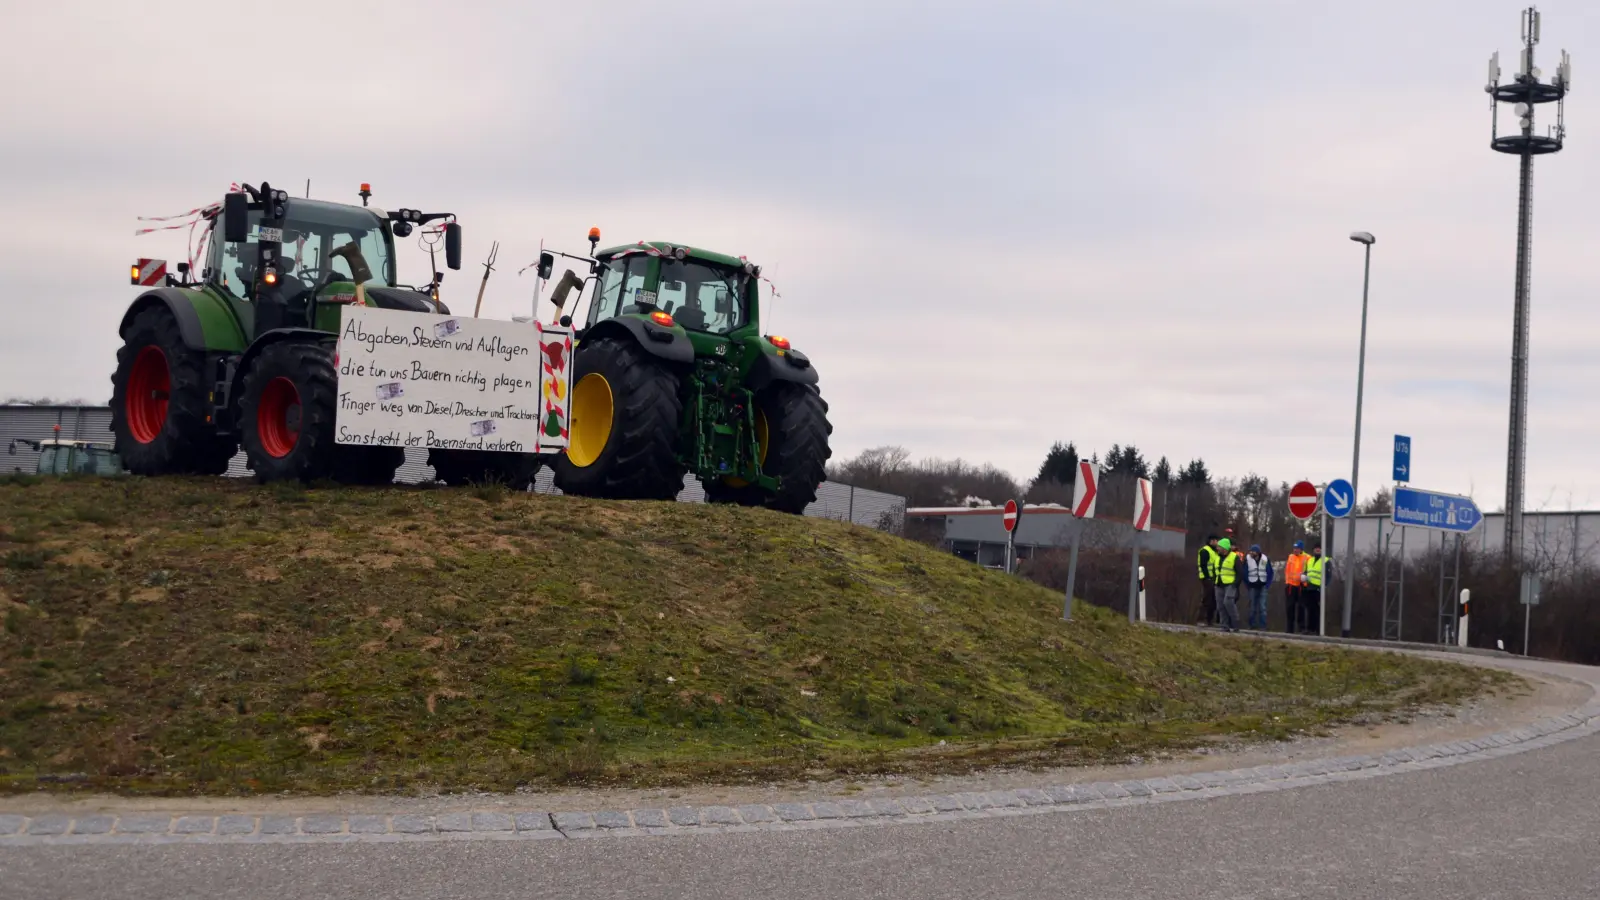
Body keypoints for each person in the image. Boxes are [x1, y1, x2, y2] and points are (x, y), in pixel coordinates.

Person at [1213, 537, 1243, 632]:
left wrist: (1235, 584)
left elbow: (1240, 572)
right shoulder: (1217, 557)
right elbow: (1215, 570)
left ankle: (1235, 623)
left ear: (1224, 548)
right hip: (1219, 584)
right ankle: (1224, 626)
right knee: (1220, 606)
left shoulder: (1234, 557)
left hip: (1230, 584)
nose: (1217, 548)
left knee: (1228, 602)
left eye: (1219, 546)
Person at [1244, 544, 1273, 629]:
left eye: (1253, 551)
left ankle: (1263, 626)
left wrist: (1268, 585)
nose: (1251, 553)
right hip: (1252, 586)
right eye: (1251, 551)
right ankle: (1252, 625)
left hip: (1263, 585)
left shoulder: (1265, 559)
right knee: (1252, 606)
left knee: (1262, 606)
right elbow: (1245, 573)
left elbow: (1270, 572)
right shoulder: (1247, 559)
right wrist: (1247, 585)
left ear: (1258, 552)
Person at [1283, 541, 1309, 633]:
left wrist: (1305, 579)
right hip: (1290, 585)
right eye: (1294, 548)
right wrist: (1287, 582)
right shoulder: (1291, 557)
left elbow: (1309, 570)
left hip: (1301, 586)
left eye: (1297, 548)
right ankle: (1289, 629)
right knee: (1290, 608)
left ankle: (1301, 628)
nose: (1295, 550)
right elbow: (1287, 570)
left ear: (1301, 549)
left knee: (1301, 608)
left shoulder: (1307, 557)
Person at [1196, 535, 1221, 625]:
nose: (1216, 542)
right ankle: (1201, 619)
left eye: (1216, 540)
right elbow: (1203, 565)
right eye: (1214, 540)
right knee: (1207, 598)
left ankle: (1209, 620)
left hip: (1213, 578)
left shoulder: (1215, 552)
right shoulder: (1205, 550)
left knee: (1213, 599)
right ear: (1210, 541)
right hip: (1206, 578)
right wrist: (1207, 576)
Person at [1302, 543, 1327, 635]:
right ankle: (1309, 628)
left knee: (1317, 610)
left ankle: (1317, 630)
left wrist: (1324, 587)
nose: (1317, 550)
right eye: (1316, 548)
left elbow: (1328, 576)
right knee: (1309, 609)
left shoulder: (1325, 560)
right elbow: (1306, 571)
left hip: (1318, 589)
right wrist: (1303, 576)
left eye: (1319, 549)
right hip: (1309, 588)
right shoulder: (1310, 560)